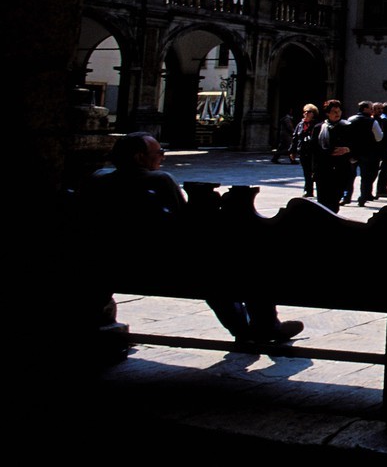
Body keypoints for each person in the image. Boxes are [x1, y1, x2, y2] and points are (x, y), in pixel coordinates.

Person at [87, 132, 302, 345]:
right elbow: (185, 226)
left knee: (214, 267)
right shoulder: (158, 180)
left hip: (104, 262)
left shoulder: (98, 178)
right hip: (162, 265)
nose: (162, 156)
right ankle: (263, 326)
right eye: (159, 152)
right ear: (139, 157)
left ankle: (246, 329)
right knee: (243, 262)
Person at [314, 99, 359, 210]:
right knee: (323, 201)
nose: (337, 114)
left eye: (339, 111)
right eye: (334, 111)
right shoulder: (319, 128)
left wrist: (348, 149)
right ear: (327, 113)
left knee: (335, 200)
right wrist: (313, 169)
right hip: (324, 169)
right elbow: (314, 149)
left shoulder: (348, 126)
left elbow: (357, 145)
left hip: (341, 168)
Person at [350, 101, 384, 204]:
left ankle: (347, 196)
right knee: (366, 177)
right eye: (370, 108)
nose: (372, 110)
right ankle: (363, 197)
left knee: (350, 176)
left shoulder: (350, 120)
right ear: (365, 109)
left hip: (353, 152)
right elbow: (379, 137)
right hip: (368, 153)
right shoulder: (372, 122)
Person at [290, 103, 320, 196]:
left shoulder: (317, 125)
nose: (306, 113)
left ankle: (320, 190)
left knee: (315, 172)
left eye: (308, 112)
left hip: (313, 152)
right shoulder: (300, 125)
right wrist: (292, 151)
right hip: (303, 151)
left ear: (313, 114)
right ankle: (308, 190)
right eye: (305, 112)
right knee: (306, 172)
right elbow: (295, 138)